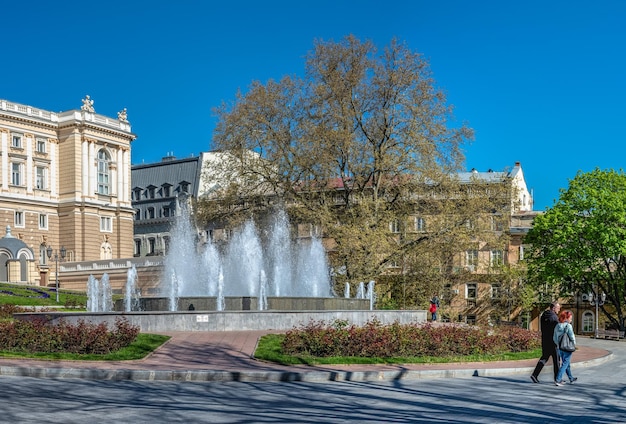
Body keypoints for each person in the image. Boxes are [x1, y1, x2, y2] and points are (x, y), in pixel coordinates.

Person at [530, 302, 561, 383]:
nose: (559, 309)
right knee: (556, 360)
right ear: (553, 308)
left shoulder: (544, 315)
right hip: (553, 342)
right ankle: (557, 379)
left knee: (544, 358)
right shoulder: (554, 317)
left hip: (545, 341)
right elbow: (557, 329)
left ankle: (534, 375)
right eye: (558, 308)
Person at [553, 309, 577, 386]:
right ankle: (558, 379)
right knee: (565, 364)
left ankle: (571, 378)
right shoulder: (568, 326)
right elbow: (572, 336)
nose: (571, 319)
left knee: (567, 363)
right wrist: (574, 344)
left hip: (560, 347)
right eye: (570, 318)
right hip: (567, 347)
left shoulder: (557, 325)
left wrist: (558, 344)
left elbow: (555, 337)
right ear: (566, 318)